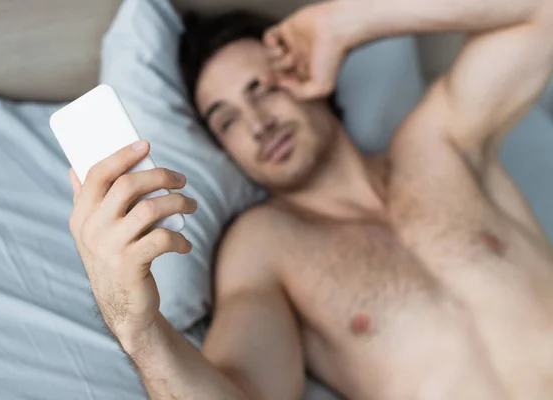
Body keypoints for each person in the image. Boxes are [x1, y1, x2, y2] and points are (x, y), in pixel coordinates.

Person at [67, 0, 553, 398]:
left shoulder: (439, 143)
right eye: (227, 120)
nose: (258, 123)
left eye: (261, 88)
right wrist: (138, 329)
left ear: (306, 74)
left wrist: (349, 21)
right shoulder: (265, 245)